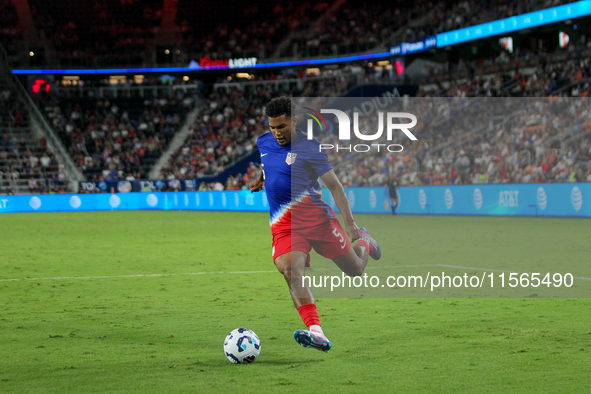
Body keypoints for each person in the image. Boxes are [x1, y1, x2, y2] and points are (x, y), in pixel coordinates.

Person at [249, 97, 381, 353]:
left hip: (318, 221)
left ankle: (365, 240)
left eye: (282, 126)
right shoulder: (264, 142)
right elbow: (268, 164)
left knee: (355, 271)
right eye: (273, 127)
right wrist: (261, 178)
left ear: (294, 121)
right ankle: (316, 332)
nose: (277, 132)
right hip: (285, 225)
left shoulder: (311, 148)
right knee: (290, 271)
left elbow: (335, 186)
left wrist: (351, 224)